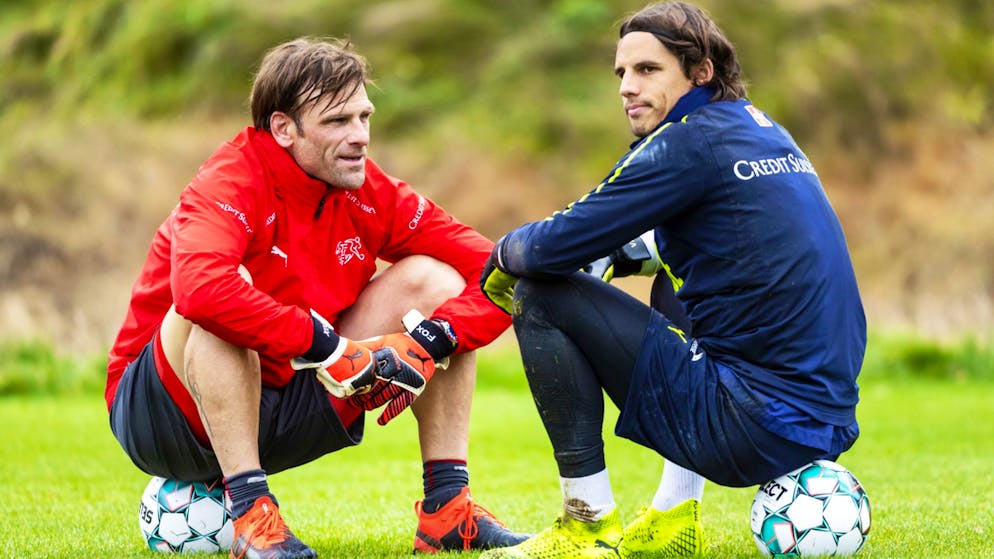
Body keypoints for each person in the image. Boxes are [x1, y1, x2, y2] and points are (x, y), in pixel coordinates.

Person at [106, 37, 528, 559]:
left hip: (292, 399)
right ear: (283, 128)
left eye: (364, 117)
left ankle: (448, 510)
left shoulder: (368, 190)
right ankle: (253, 517)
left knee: (435, 283)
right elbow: (199, 292)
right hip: (166, 418)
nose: (360, 137)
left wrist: (433, 339)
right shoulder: (229, 182)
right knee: (216, 296)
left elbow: (500, 272)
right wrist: (327, 346)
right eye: (337, 122)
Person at [478, 2, 866, 558]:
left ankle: (585, 526)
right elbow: (697, 243)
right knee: (672, 275)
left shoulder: (685, 143)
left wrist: (502, 253)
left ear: (700, 72)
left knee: (540, 292)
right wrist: (614, 257)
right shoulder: (762, 132)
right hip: (822, 426)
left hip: (751, 426)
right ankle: (673, 517)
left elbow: (550, 245)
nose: (627, 87)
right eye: (621, 73)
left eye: (647, 70)